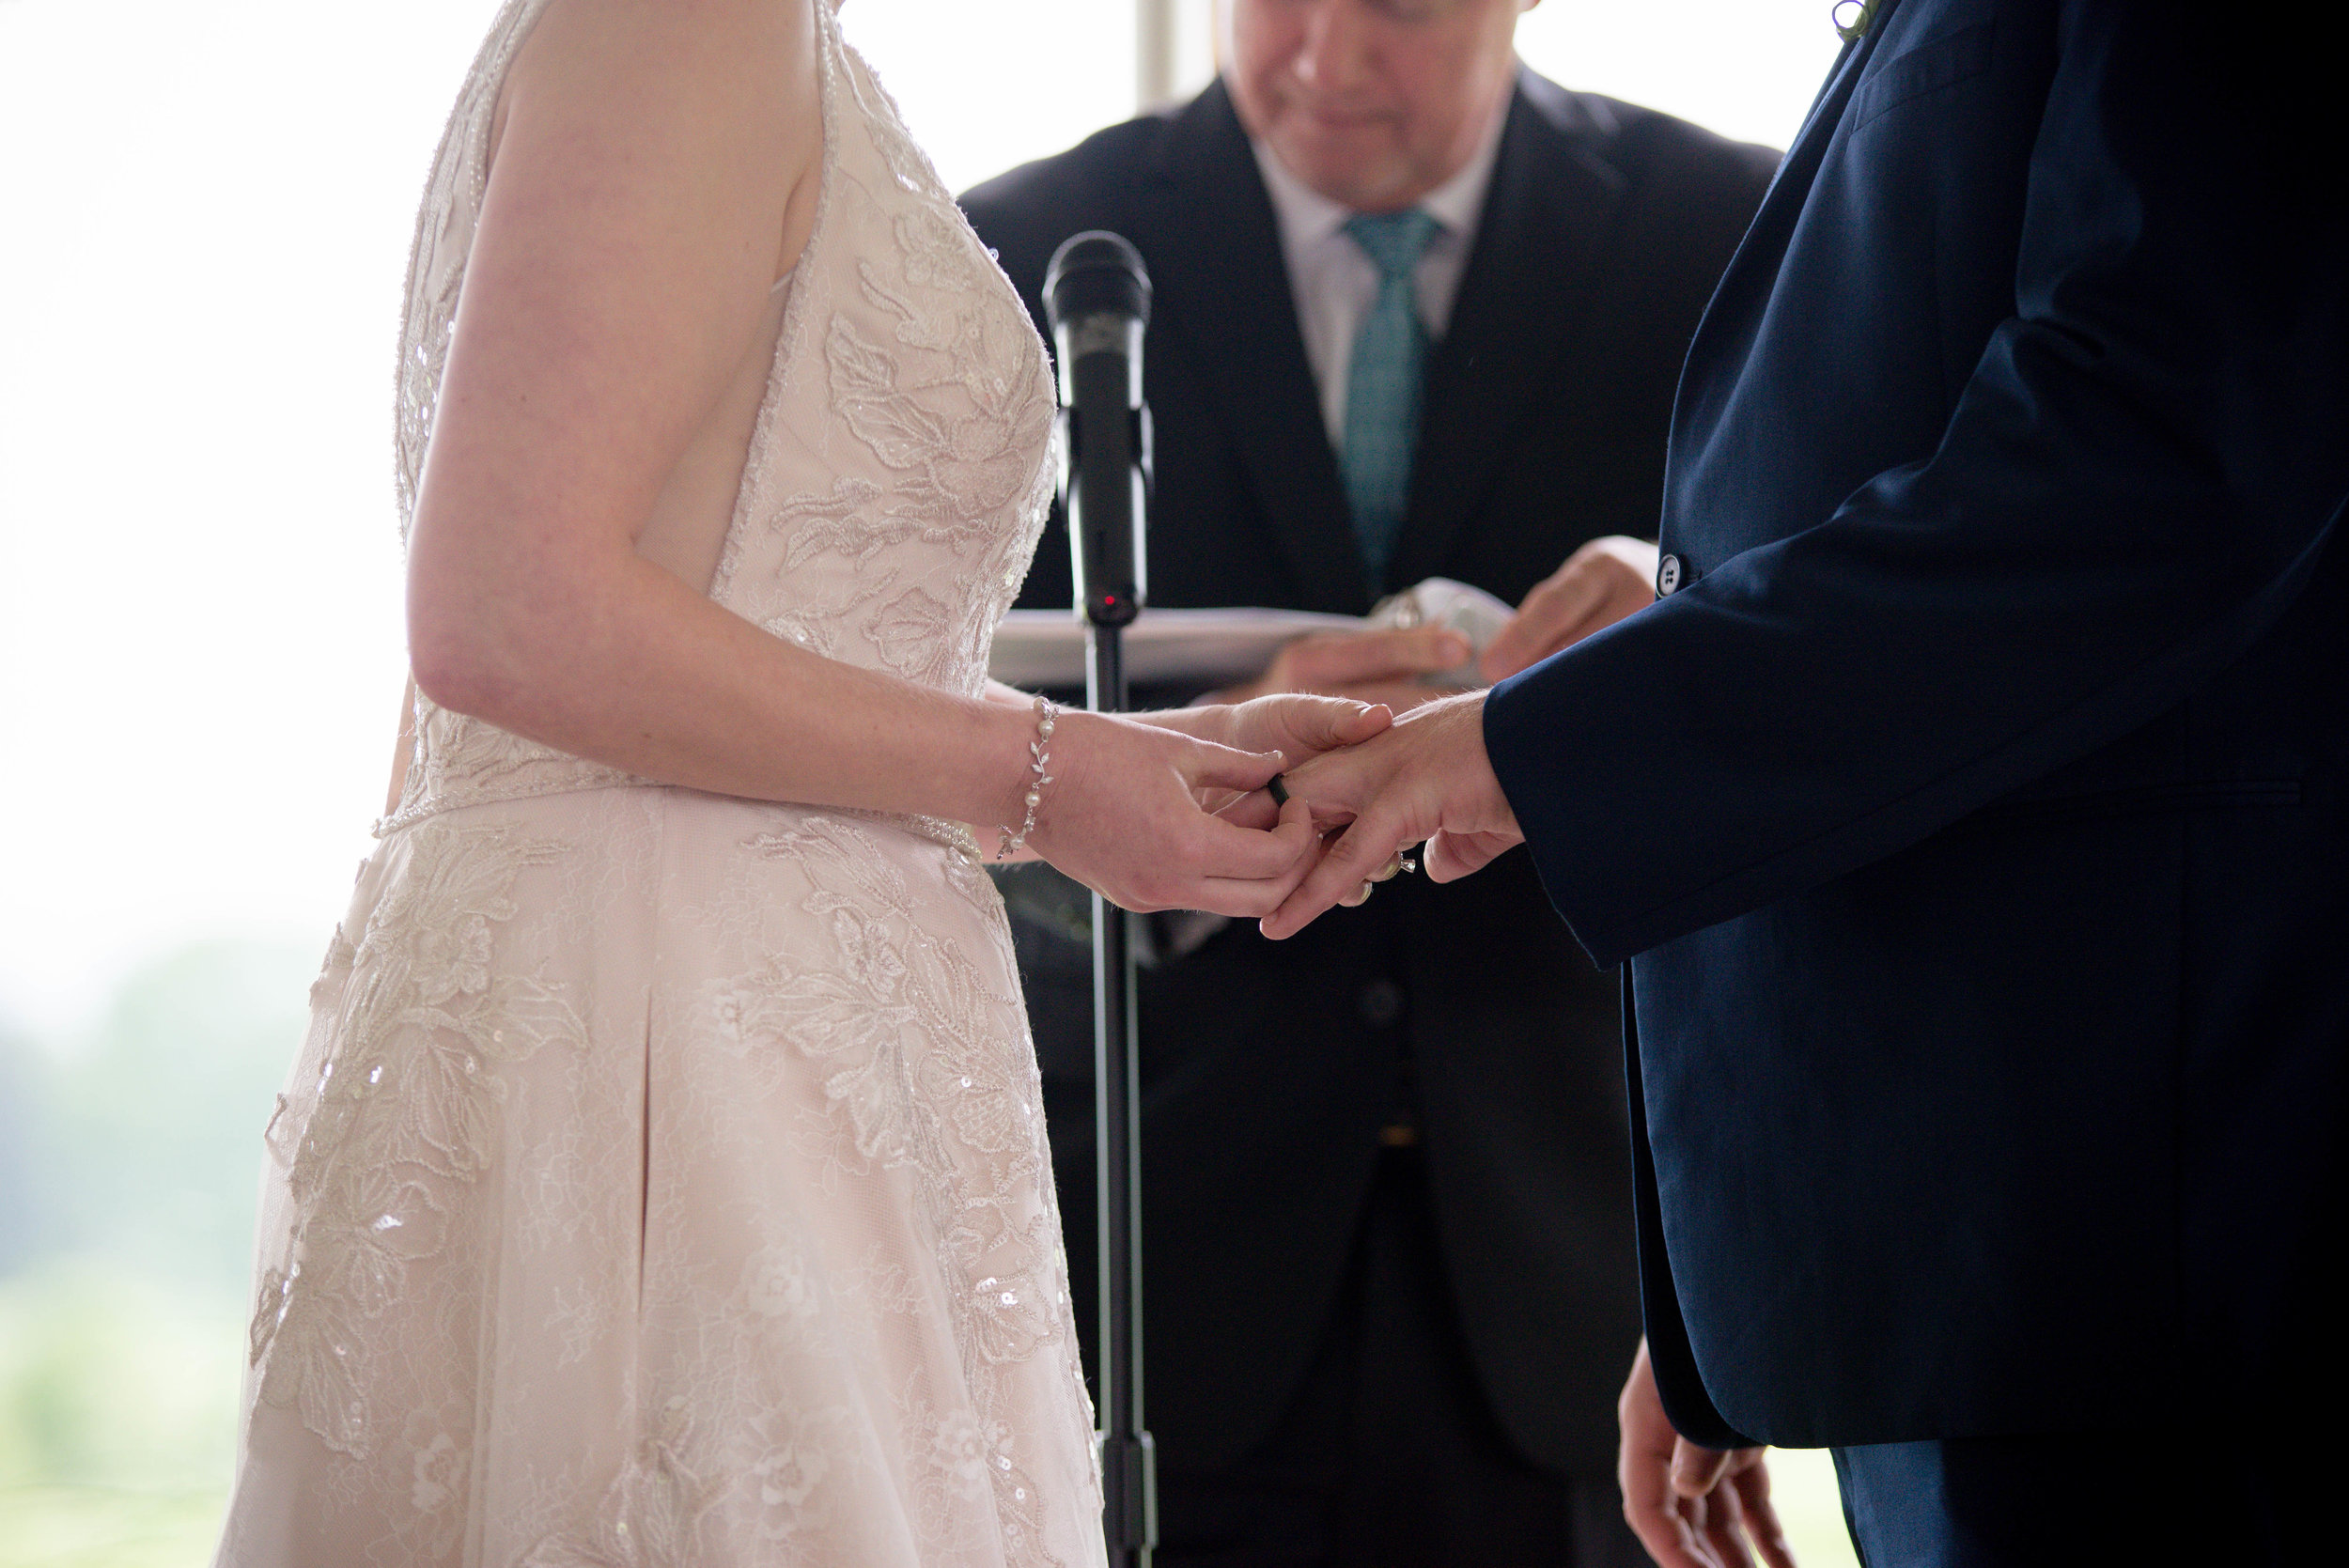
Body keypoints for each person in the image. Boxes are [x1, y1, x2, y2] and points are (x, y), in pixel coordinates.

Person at [212, 1, 1380, 1561]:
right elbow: (504, 612)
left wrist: (1110, 768)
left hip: (760, 1038)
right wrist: (1035, 774)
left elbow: (704, 614)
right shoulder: (694, 23)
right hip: (683, 1068)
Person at [1266, 1, 2349, 1563]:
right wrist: (1746, 1271)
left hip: (2137, 1253)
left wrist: (1533, 744)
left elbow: (2157, 456)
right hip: (1973, 1257)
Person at [960, 0, 1774, 1561]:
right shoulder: (1014, 251)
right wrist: (1180, 762)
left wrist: (1698, 601)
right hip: (1140, 1276)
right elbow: (898, 777)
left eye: (1399, 5)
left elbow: (1859, 677)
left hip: (1587, 1286)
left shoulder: (1728, 235)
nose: (1330, 56)